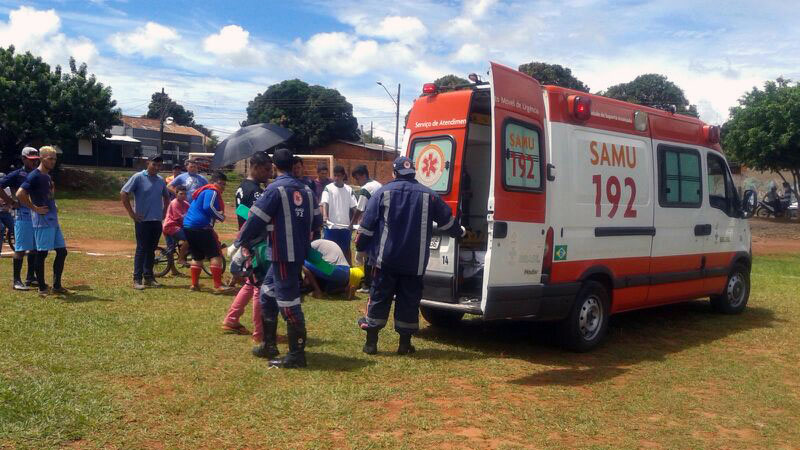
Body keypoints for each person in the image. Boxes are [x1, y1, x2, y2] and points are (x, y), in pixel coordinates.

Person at [355, 156, 465, 355]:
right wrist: (461, 233)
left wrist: (360, 248)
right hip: (414, 263)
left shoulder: (382, 192)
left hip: (385, 261)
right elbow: (448, 223)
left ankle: (371, 344)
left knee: (379, 298)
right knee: (409, 301)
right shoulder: (429, 195)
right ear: (413, 173)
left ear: (394, 173)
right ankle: (404, 345)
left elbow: (366, 227)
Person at [238, 148, 322, 368]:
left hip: (283, 254)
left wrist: (241, 240)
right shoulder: (307, 190)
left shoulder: (275, 190)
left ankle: (296, 355)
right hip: (293, 254)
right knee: (267, 294)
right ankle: (269, 344)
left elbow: (255, 219)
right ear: (294, 165)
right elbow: (317, 223)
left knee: (288, 304)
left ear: (274, 167)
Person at [224, 152, 273, 355]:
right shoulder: (254, 191)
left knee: (249, 283)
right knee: (258, 288)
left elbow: (242, 213)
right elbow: (251, 216)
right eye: (266, 169)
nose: (269, 174)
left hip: (248, 239)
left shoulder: (243, 188)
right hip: (256, 242)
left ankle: (232, 319)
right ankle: (260, 333)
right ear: (255, 167)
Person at [16, 146, 70, 297]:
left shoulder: (47, 176)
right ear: (41, 158)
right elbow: (20, 193)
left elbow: (47, 195)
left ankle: (57, 285)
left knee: (62, 251)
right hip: (42, 220)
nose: (53, 161)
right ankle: (41, 287)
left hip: (53, 219)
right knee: (42, 253)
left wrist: (54, 203)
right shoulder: (34, 175)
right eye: (50, 159)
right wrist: (34, 208)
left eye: (55, 159)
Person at [121, 155, 171, 290]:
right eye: (154, 164)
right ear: (148, 163)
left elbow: (167, 197)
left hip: (156, 221)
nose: (157, 167)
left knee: (151, 250)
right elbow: (124, 193)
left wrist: (165, 212)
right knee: (142, 249)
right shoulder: (138, 177)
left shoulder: (160, 180)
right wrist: (132, 213)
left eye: (159, 165)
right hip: (143, 221)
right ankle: (137, 279)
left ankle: (149, 277)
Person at [182, 171, 233, 294]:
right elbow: (208, 207)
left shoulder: (203, 191)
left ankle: (194, 285)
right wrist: (220, 217)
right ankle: (218, 285)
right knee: (215, 255)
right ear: (213, 183)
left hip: (188, 226)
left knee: (197, 255)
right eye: (220, 183)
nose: (222, 187)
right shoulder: (212, 191)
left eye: (224, 185)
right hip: (201, 227)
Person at [0, 147, 40, 290]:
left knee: (35, 248)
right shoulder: (17, 174)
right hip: (22, 215)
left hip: (36, 214)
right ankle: (17, 281)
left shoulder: (38, 174)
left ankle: (30, 277)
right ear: (23, 159)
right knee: (21, 248)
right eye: (31, 160)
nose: (34, 163)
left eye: (36, 160)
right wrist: (10, 202)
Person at [350, 165, 382, 294]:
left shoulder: (366, 189)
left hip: (368, 226)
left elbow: (359, 209)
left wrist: (351, 224)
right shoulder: (378, 185)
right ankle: (372, 282)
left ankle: (365, 283)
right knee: (372, 255)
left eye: (357, 179)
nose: (357, 182)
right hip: (379, 225)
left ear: (362, 175)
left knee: (360, 253)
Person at [321, 165, 356, 263]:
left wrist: (356, 221)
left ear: (343, 176)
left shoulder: (349, 189)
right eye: (335, 175)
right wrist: (325, 216)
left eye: (339, 176)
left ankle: (349, 272)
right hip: (331, 227)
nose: (336, 178)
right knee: (329, 253)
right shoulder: (328, 188)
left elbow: (355, 207)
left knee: (345, 251)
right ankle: (328, 275)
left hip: (345, 227)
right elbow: (325, 203)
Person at [163, 185, 191, 271]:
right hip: (170, 227)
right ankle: (181, 258)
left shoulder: (186, 204)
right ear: (176, 194)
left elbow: (191, 214)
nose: (183, 196)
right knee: (188, 239)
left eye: (184, 194)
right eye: (181, 194)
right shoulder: (174, 203)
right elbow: (180, 217)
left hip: (178, 227)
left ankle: (174, 271)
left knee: (171, 249)